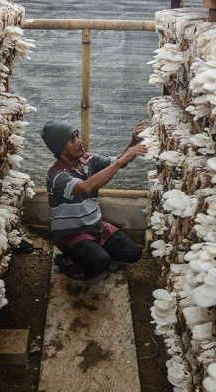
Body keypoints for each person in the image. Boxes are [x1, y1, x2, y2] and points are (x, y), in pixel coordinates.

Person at [41, 120, 148, 280]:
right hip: (70, 233)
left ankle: (94, 249)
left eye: (77, 135)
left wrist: (133, 142)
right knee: (100, 263)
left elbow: (119, 161)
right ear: (60, 149)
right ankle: (67, 261)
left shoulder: (88, 159)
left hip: (96, 227)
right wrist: (120, 161)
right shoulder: (57, 176)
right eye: (72, 139)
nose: (79, 140)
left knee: (134, 253)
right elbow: (86, 187)